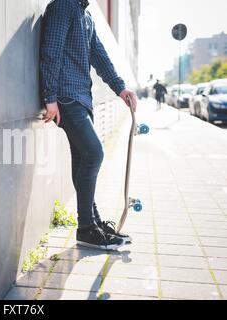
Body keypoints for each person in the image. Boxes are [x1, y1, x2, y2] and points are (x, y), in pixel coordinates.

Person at [40, 0, 137, 250]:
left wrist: (120, 88)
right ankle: (85, 228)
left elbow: (100, 56)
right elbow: (51, 50)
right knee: (94, 152)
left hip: (82, 97)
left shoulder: (86, 15)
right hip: (65, 96)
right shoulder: (63, 6)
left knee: (83, 159)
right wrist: (50, 97)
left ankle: (91, 222)